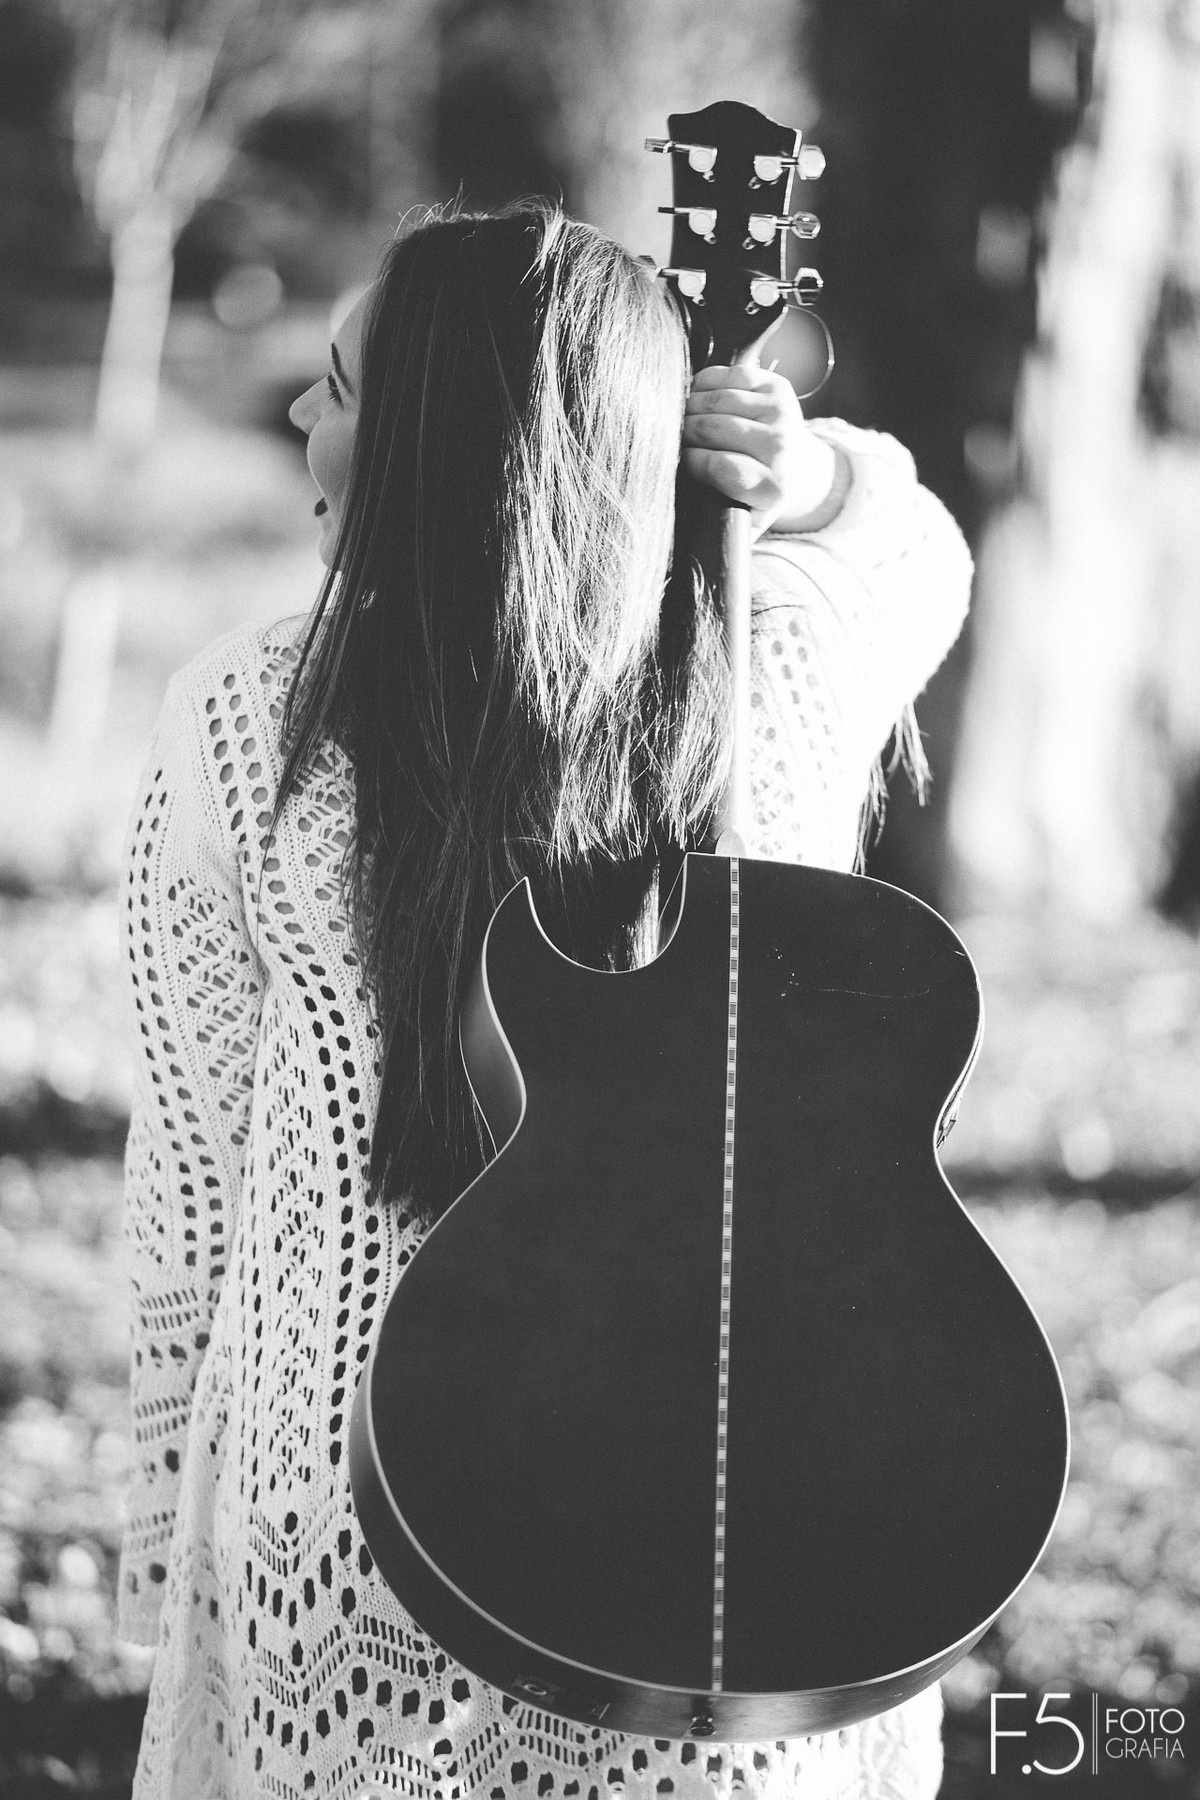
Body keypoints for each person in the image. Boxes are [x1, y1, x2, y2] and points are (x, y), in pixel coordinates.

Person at [118, 203, 972, 1800]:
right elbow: (911, 545)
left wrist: (167, 1541)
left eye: (340, 384)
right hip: (720, 1516)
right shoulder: (762, 676)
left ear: (455, 439)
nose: (301, 417)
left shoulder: (252, 723)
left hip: (335, 1526)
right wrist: (805, 473)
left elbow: (193, 1185)